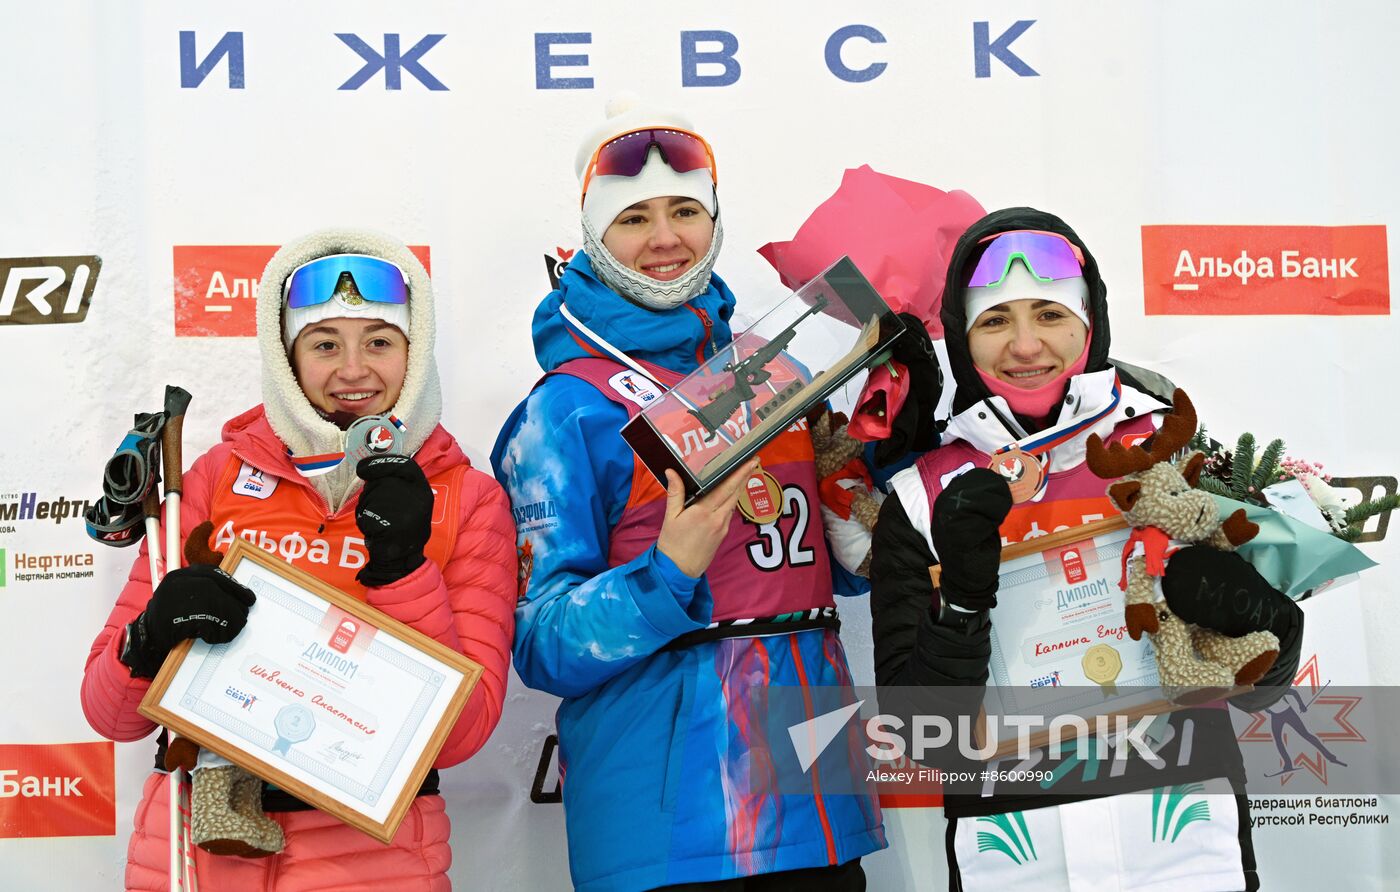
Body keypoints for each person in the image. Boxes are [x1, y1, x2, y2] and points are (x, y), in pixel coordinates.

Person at [492, 100, 885, 891]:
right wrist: (665, 573)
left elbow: (832, 566)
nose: (665, 238)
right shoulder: (564, 409)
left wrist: (857, 460)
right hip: (670, 824)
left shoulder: (773, 367)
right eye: (633, 217)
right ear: (594, 238)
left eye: (685, 211)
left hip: (818, 803)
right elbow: (541, 643)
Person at [869, 208, 1303, 891]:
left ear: (1088, 319)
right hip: (1015, 849)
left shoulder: (1169, 447)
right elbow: (921, 731)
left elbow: (1259, 687)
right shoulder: (922, 498)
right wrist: (961, 597)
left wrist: (1272, 622)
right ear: (961, 336)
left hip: (1183, 830)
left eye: (1048, 314)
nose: (1024, 344)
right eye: (994, 321)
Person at [80, 229, 517, 891]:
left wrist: (404, 569)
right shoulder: (216, 477)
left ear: (415, 349)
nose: (353, 369)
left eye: (379, 341)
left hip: (374, 865)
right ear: (287, 357)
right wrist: (150, 638)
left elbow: (462, 736)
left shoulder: (466, 499)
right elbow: (109, 716)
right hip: (197, 857)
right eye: (323, 344)